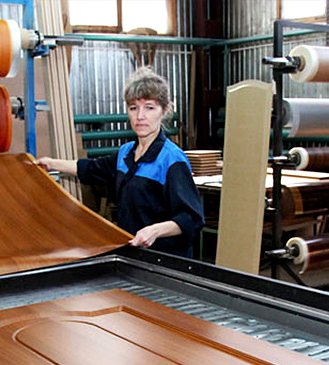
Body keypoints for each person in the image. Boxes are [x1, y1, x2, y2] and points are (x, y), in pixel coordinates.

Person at [37, 67, 204, 258]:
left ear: (164, 111)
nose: (140, 116)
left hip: (165, 259)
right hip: (133, 254)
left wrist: (154, 231)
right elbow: (91, 169)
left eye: (149, 107)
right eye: (133, 108)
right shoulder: (126, 153)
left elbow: (192, 218)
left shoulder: (172, 160)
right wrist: (50, 163)